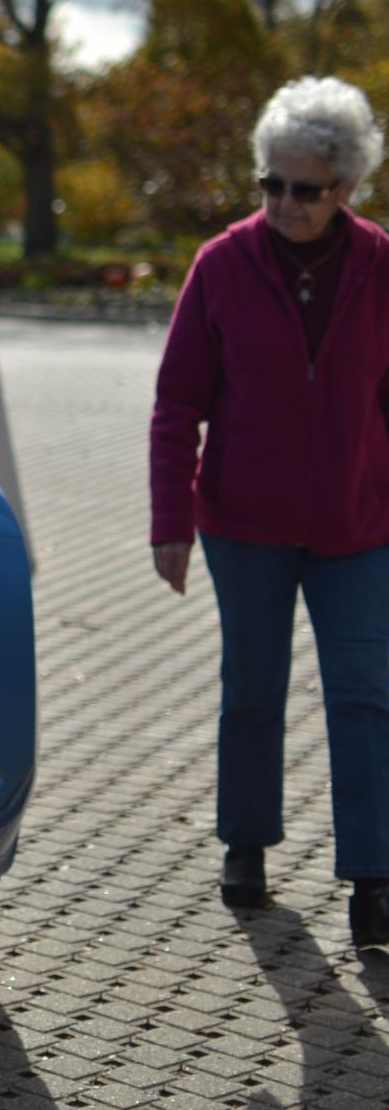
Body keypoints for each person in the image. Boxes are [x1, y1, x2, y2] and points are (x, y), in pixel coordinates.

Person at [149, 76, 389, 945]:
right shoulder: (221, 265)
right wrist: (170, 518)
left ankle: (373, 877)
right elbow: (177, 401)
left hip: (359, 527)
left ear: (348, 188)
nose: (286, 204)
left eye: (307, 189)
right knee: (251, 687)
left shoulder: (382, 264)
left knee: (365, 694)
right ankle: (246, 842)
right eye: (272, 185)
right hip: (243, 522)